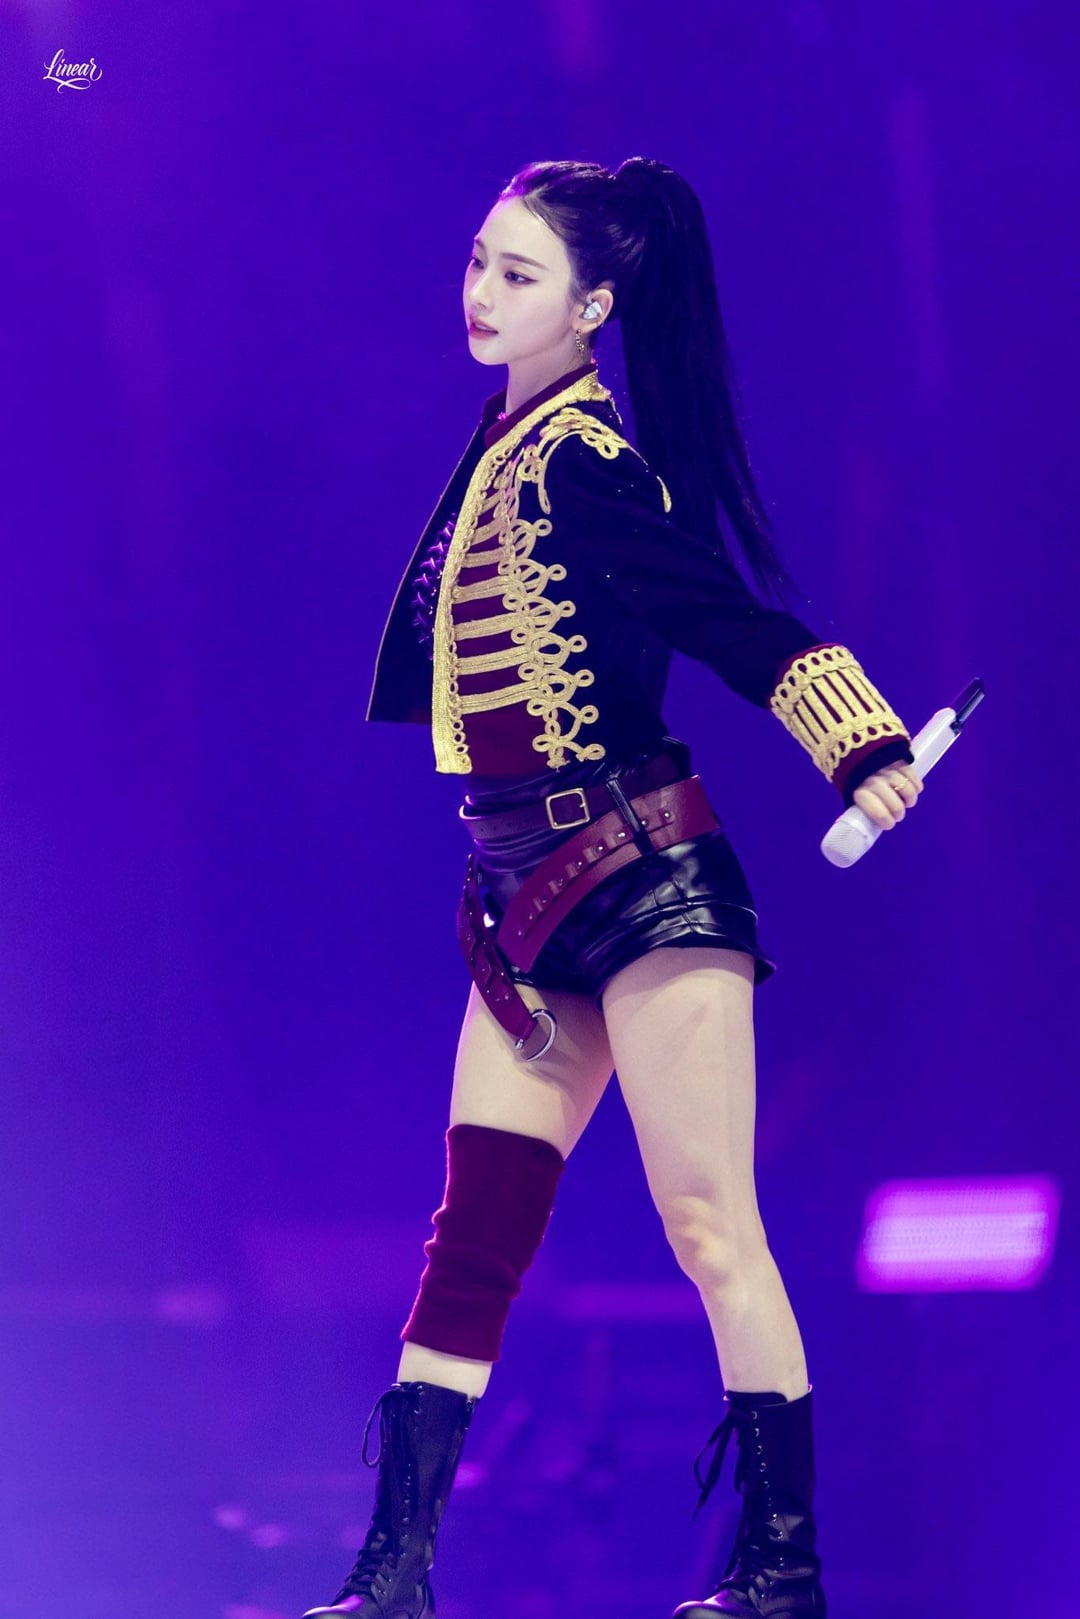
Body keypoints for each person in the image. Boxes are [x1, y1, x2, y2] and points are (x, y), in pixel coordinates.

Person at [302, 156, 922, 1619]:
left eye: (518, 275)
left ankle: (782, 1572)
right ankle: (390, 1581)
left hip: (646, 880)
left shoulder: (580, 462)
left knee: (709, 1226)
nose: (481, 292)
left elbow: (713, 607)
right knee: (474, 1237)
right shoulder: (503, 448)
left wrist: (856, 736)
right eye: (478, 261)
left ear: (591, 307)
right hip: (520, 896)